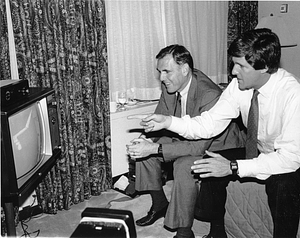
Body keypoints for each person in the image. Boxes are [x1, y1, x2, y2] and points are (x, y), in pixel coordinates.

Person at [129, 29, 300, 238]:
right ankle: (217, 231)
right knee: (209, 164)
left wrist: (232, 167)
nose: (233, 71)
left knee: (283, 185)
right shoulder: (239, 87)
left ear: (263, 67)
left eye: (241, 66)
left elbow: (289, 158)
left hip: (288, 157)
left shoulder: (292, 94)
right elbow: (208, 124)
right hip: (256, 148)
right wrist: (168, 121)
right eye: (233, 63)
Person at [126, 44, 245, 238]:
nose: (162, 78)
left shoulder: (209, 94)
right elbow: (161, 116)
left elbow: (199, 145)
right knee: (144, 150)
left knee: (183, 165)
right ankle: (159, 204)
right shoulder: (171, 86)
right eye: (159, 72)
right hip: (187, 136)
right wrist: (144, 139)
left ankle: (184, 231)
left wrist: (155, 148)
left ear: (185, 69)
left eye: (166, 71)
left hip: (217, 146)